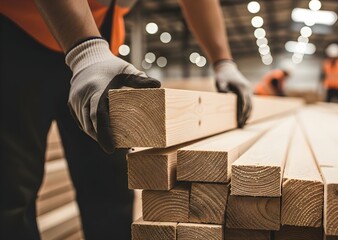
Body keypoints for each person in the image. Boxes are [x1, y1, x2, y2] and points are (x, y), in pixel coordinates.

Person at [0, 0, 252, 239]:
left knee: (111, 186)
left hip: (99, 46)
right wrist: (84, 51)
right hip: (16, 39)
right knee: (11, 195)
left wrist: (222, 61)